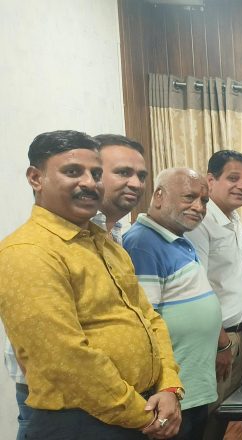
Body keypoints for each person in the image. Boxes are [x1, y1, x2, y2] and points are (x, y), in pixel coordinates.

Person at [0, 130, 182, 439]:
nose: (89, 183)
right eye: (73, 172)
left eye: (96, 174)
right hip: (80, 421)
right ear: (35, 178)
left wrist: (168, 386)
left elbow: (148, 318)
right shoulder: (28, 251)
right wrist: (141, 414)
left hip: (135, 410)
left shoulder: (104, 242)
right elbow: (64, 358)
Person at [123, 168, 224, 440]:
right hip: (169, 394)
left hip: (188, 388)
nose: (199, 207)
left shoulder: (178, 238)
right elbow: (144, 325)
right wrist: (165, 388)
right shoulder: (142, 243)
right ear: (159, 196)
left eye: (204, 201)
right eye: (189, 197)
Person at [183, 150, 242, 432]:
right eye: (233, 178)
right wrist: (221, 343)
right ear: (210, 181)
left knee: (223, 418)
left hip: (237, 336)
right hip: (217, 339)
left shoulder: (234, 219)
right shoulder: (201, 223)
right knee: (207, 421)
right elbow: (197, 288)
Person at [92, 134, 149, 241]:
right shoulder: (70, 232)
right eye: (123, 173)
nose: (136, 184)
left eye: (141, 176)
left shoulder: (114, 232)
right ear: (93, 175)